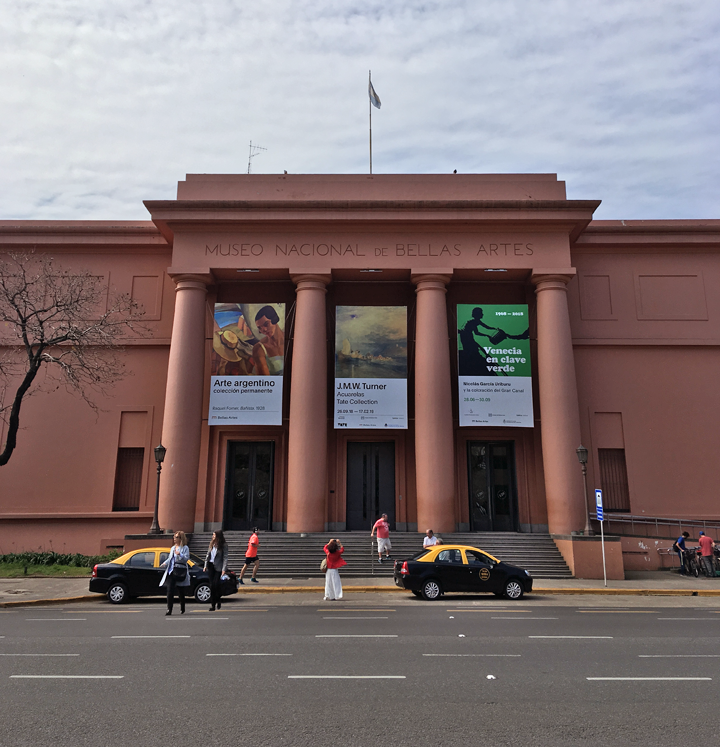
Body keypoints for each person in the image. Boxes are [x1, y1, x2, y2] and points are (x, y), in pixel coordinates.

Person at [159, 531, 190, 616]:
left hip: (180, 571)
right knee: (170, 590)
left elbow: (186, 559)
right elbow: (170, 558)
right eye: (174, 537)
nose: (174, 539)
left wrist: (180, 554)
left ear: (180, 539)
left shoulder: (185, 548)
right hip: (172, 571)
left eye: (176, 537)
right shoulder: (173, 548)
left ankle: (182, 606)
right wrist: (165, 563)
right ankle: (169, 609)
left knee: (180, 591)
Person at [252, 306, 284, 375]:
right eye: (260, 328)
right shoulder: (259, 348)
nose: (264, 330)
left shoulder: (292, 339)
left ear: (274, 320)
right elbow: (265, 381)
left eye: (266, 324)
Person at [204, 530, 229, 611]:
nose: (213, 536)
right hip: (211, 566)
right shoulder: (211, 544)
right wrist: (205, 566)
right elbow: (208, 555)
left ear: (218, 536)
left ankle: (218, 599)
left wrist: (223, 569)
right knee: (211, 586)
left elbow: (225, 557)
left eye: (214, 535)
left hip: (218, 567)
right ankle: (213, 605)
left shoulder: (223, 545)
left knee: (216, 585)